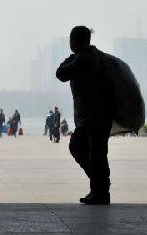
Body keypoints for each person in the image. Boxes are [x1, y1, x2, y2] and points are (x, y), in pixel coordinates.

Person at [56, 26, 115, 205]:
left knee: (83, 149)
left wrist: (71, 57)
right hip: (99, 115)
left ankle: (101, 188)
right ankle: (99, 188)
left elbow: (61, 74)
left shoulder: (83, 58)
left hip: (91, 116)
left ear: (74, 41)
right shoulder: (95, 55)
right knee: (96, 154)